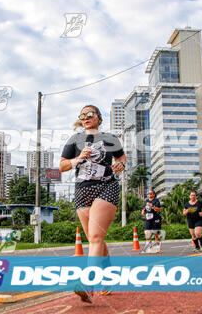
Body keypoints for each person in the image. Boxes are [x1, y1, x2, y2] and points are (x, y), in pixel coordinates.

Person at [60, 105, 126, 303]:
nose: (86, 117)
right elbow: (62, 166)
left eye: (90, 114)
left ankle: (89, 285)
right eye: (82, 115)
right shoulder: (74, 140)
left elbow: (121, 157)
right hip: (82, 190)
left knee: (96, 236)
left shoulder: (110, 138)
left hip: (107, 186)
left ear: (99, 117)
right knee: (96, 240)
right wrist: (78, 158)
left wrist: (121, 164)